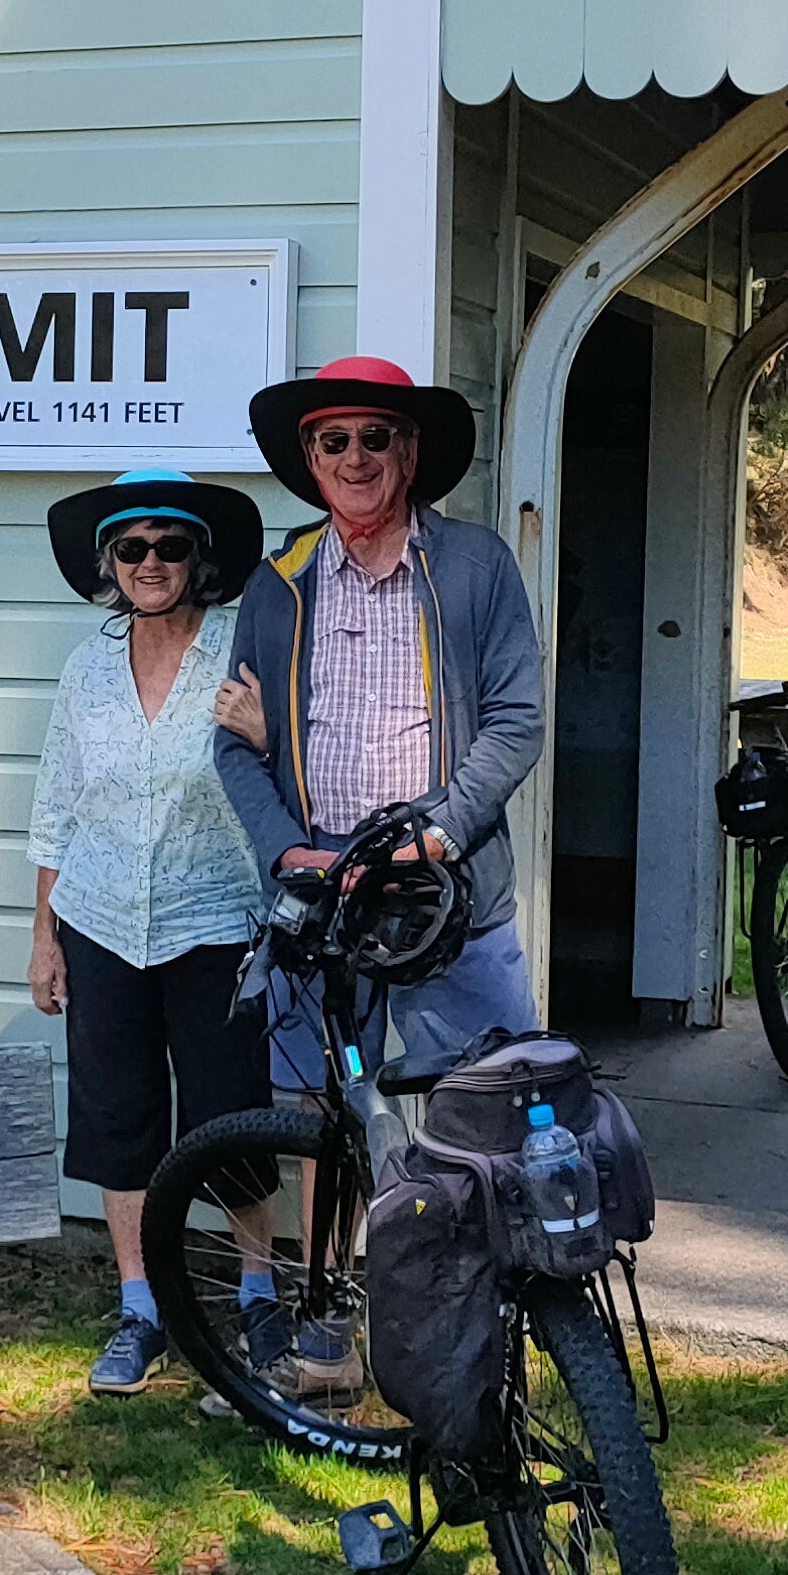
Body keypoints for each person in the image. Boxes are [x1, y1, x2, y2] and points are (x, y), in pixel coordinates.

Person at [211, 358, 547, 1397]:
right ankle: (335, 1332)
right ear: (309, 461)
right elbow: (232, 745)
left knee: (498, 1111)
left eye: (373, 437)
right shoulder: (278, 584)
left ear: (409, 453)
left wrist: (438, 834)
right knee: (334, 1123)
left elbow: (515, 720)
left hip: (446, 896)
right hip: (328, 902)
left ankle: (508, 1335)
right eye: (332, 441)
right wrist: (288, 849)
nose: (353, 458)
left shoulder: (477, 566)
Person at [25, 470, 278, 1394]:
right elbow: (57, 805)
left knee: (230, 1113)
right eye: (132, 548)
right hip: (98, 922)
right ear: (110, 564)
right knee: (116, 1115)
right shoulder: (86, 667)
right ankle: (141, 1307)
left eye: (170, 546)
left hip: (215, 920)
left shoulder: (240, 654)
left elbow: (291, 774)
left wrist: (265, 733)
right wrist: (44, 933)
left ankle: (258, 1290)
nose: (151, 562)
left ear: (198, 559)